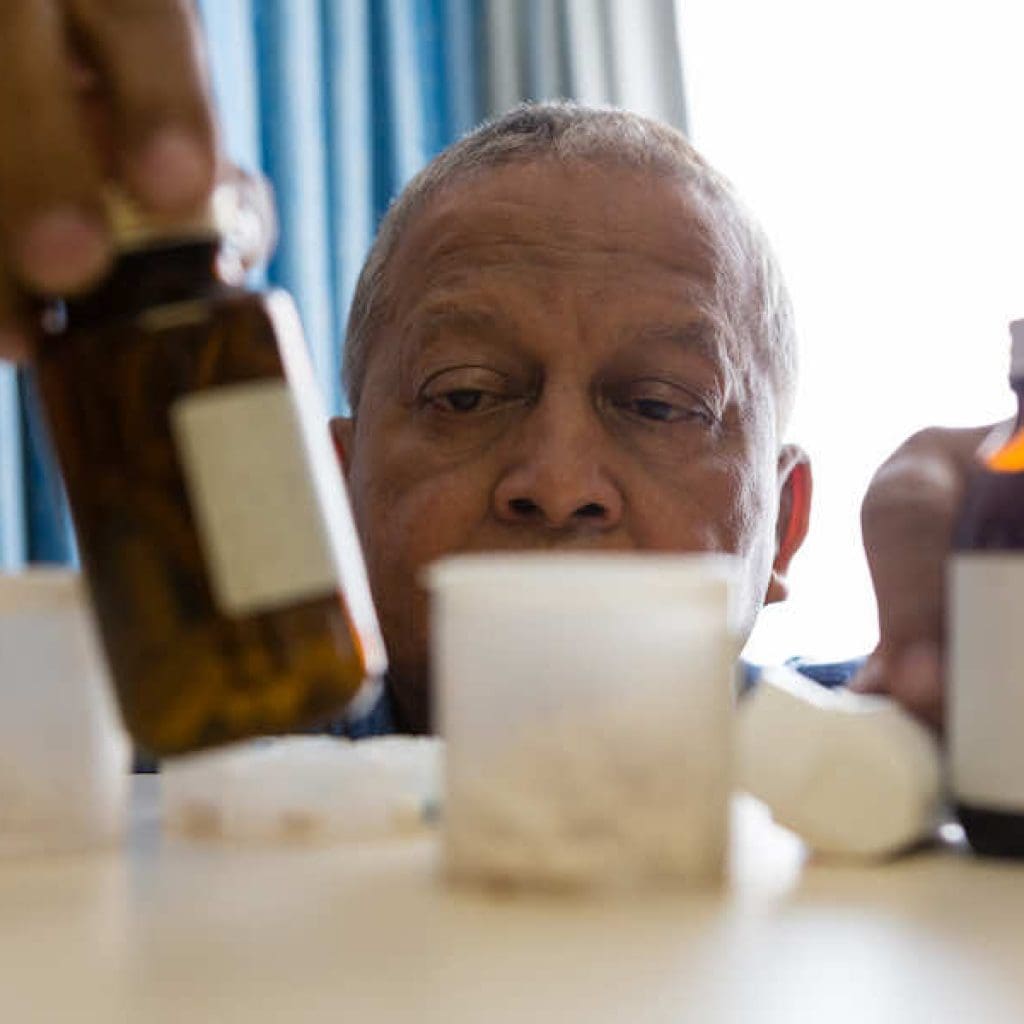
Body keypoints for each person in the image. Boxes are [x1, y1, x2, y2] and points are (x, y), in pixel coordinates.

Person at [0, 1, 974, 735]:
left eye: (658, 404)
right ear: (329, 494)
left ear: (787, 524)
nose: (555, 486)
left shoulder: (929, 753)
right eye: (462, 395)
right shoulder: (128, 819)